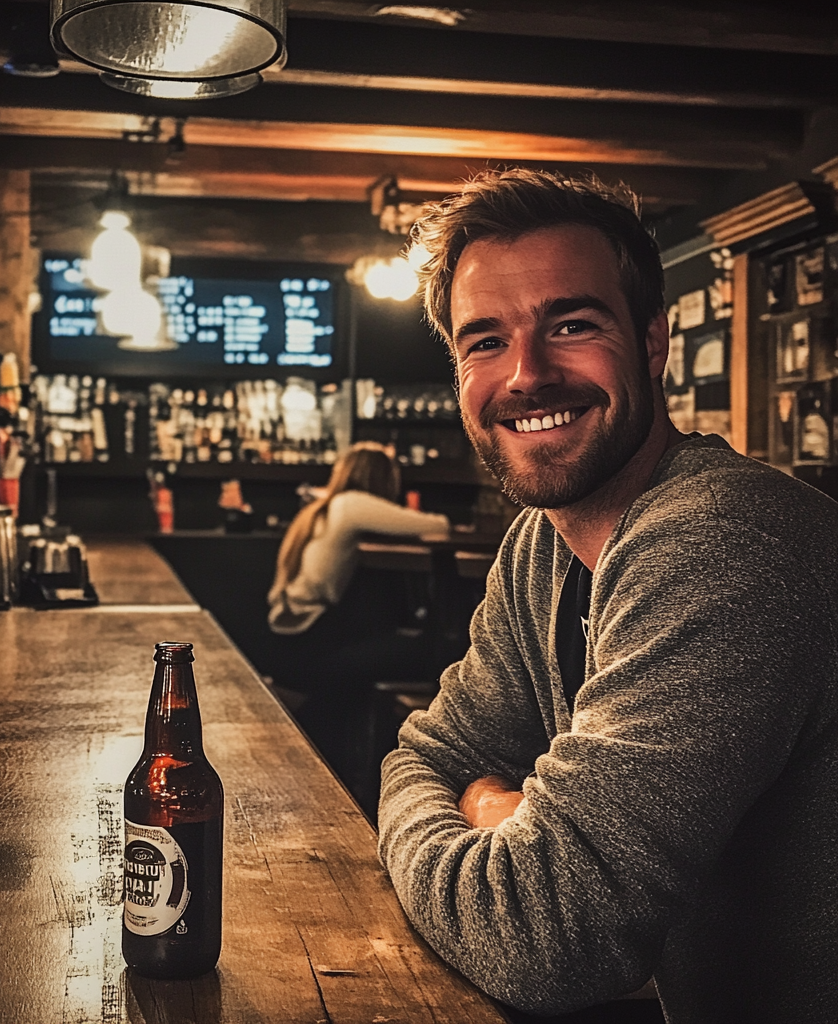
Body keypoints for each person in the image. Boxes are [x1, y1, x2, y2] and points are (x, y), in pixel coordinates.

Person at [377, 169, 838, 1024]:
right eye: (484, 341)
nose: (526, 374)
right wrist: (483, 805)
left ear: (654, 343)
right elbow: (424, 757)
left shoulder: (720, 545)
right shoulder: (541, 543)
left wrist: (484, 811)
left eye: (573, 325)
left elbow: (548, 935)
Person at [267, 442, 449, 775]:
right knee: (434, 653)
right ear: (379, 479)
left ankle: (341, 754)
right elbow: (438, 526)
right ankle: (356, 759)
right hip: (312, 646)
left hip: (289, 641)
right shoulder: (351, 505)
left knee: (378, 659)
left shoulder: (321, 507)